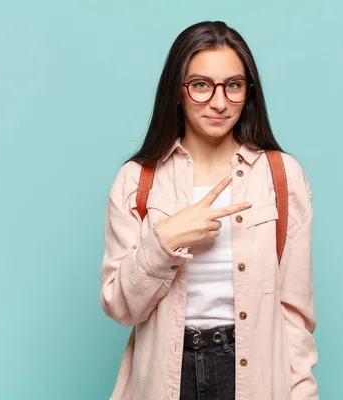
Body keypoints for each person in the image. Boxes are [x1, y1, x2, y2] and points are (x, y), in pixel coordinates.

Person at [100, 20, 318, 400]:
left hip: (253, 374)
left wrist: (303, 393)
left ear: (248, 93)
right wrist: (165, 241)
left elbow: (294, 314)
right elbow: (120, 307)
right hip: (167, 375)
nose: (219, 102)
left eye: (232, 85)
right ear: (177, 92)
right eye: (201, 85)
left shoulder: (282, 176)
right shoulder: (137, 181)